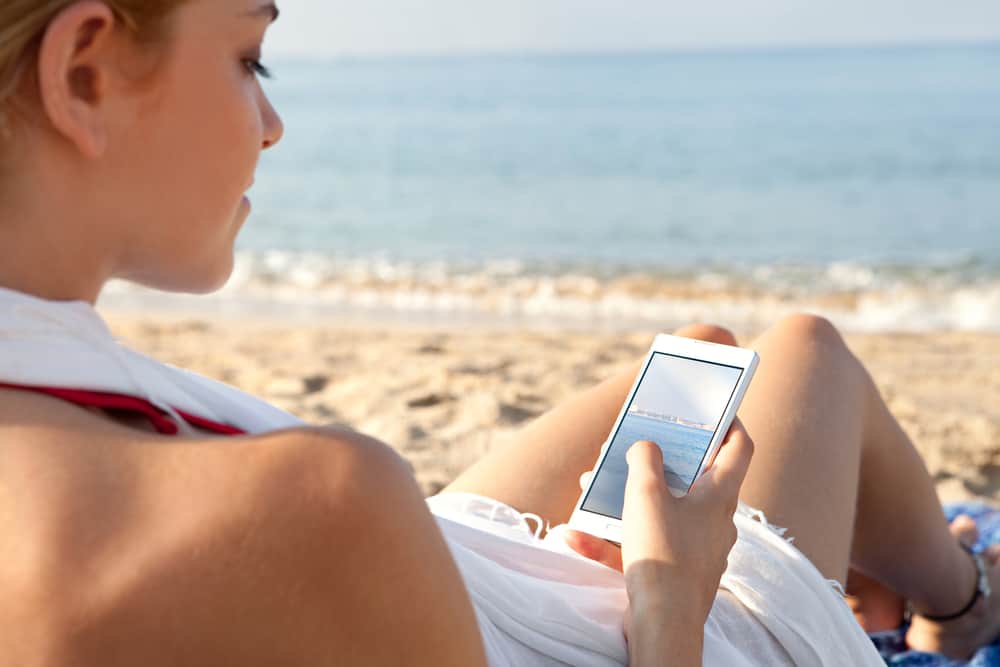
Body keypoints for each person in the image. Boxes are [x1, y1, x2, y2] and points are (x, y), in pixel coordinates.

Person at [0, 1, 996, 665]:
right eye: (245, 56)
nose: (270, 124)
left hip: (422, 584)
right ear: (83, 74)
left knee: (701, 361)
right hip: (642, 633)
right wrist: (670, 596)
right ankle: (960, 606)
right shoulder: (313, 503)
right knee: (803, 354)